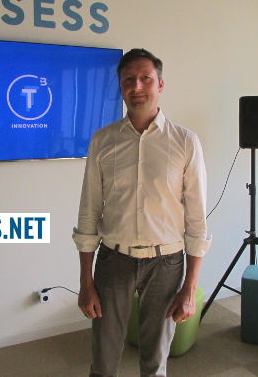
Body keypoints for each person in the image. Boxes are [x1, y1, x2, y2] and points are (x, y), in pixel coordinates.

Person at [72, 48, 211, 377]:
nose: (136, 86)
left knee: (155, 362)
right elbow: (88, 213)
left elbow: (197, 220)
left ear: (160, 84)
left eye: (145, 78)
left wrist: (190, 288)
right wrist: (86, 281)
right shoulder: (102, 141)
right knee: (103, 359)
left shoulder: (185, 142)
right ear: (121, 86)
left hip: (166, 263)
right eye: (128, 80)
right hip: (113, 261)